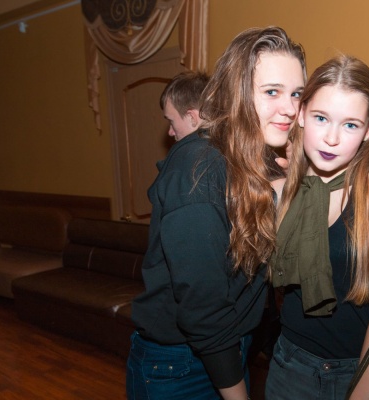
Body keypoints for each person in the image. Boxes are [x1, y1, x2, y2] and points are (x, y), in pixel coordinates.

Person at [126, 26, 306, 400]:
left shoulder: (255, 158)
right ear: (234, 93)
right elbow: (202, 309)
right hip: (179, 367)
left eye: (296, 94)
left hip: (228, 348)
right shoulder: (200, 170)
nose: (290, 108)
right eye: (271, 92)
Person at [266, 55, 369, 400]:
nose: (331, 138)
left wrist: (361, 394)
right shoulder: (281, 189)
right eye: (321, 118)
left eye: (350, 125)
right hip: (291, 367)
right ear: (301, 115)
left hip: (366, 368)